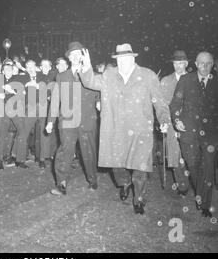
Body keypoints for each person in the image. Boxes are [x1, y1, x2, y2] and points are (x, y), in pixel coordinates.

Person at [79, 43, 170, 215]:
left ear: (133, 58)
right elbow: (90, 81)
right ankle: (124, 183)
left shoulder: (148, 75)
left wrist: (164, 119)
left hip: (140, 129)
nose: (122, 62)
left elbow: (159, 101)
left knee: (140, 167)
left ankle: (139, 199)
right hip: (116, 130)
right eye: (119, 59)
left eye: (125, 58)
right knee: (117, 165)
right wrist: (86, 66)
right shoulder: (108, 75)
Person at [46, 42, 99, 195]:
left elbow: (99, 93)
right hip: (67, 120)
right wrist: (50, 121)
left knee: (88, 151)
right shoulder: (61, 76)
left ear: (83, 57)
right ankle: (61, 182)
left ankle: (92, 179)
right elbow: (56, 99)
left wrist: (99, 101)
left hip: (87, 120)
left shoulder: (91, 74)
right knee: (65, 150)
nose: (75, 57)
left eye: (78, 54)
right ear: (68, 58)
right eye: (72, 54)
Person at [170, 51, 218, 218]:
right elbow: (175, 104)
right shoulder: (186, 80)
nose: (205, 67)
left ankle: (205, 203)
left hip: (211, 135)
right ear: (196, 64)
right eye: (201, 63)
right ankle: (200, 193)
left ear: (213, 65)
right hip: (188, 133)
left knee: (209, 169)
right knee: (193, 166)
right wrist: (177, 120)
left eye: (209, 64)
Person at [160, 50, 190, 195]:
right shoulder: (165, 81)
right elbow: (162, 104)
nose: (178, 66)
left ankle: (195, 181)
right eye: (175, 63)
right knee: (175, 156)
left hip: (191, 125)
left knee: (191, 156)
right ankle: (183, 185)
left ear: (187, 63)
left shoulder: (194, 79)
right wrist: (164, 122)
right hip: (172, 125)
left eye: (181, 63)